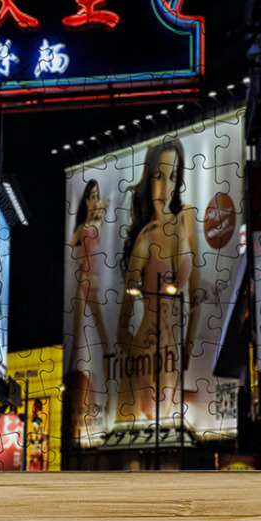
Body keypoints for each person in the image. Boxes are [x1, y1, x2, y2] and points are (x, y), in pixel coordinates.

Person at [115, 139, 199, 426]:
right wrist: (138, 352)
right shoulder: (144, 239)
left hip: (174, 354)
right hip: (149, 355)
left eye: (173, 176)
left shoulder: (187, 218)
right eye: (159, 176)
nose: (166, 187)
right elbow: (122, 324)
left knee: (173, 437)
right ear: (148, 179)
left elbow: (196, 295)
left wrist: (186, 350)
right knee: (151, 431)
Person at [66, 179, 109, 440]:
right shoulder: (83, 227)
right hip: (83, 284)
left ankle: (111, 378)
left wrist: (101, 209)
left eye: (96, 196)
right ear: (84, 200)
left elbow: (106, 208)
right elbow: (71, 245)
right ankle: (69, 382)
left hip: (94, 287)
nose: (94, 201)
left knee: (104, 336)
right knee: (75, 335)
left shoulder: (99, 223)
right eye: (90, 197)